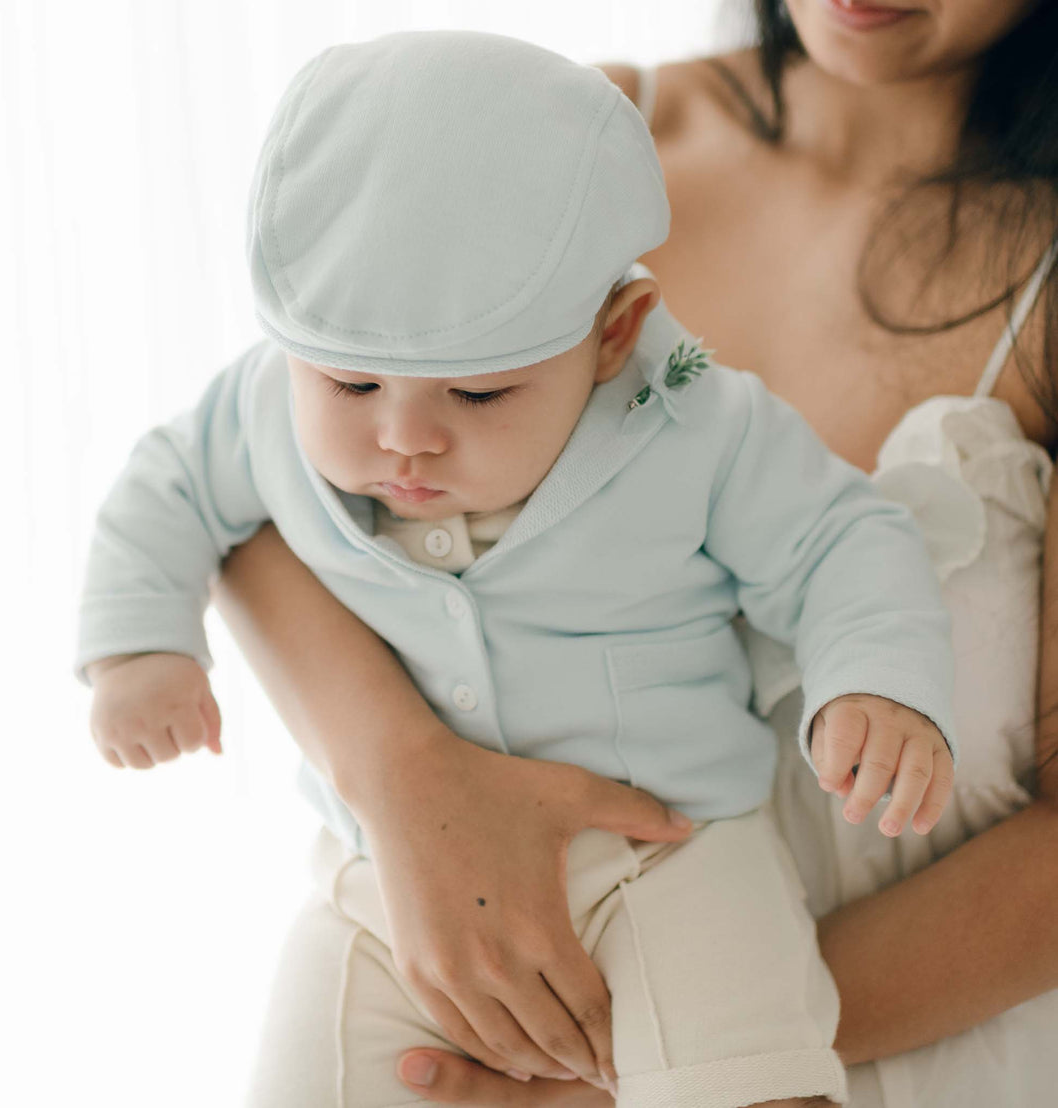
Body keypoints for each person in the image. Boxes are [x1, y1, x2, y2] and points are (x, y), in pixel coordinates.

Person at [74, 29, 963, 1108]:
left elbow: (839, 538)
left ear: (612, 335)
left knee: (752, 1077)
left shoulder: (692, 420)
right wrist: (136, 649)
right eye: (352, 385)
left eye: (478, 395)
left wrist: (872, 682)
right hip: (383, 889)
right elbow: (165, 481)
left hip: (668, 861)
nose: (405, 438)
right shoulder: (266, 399)